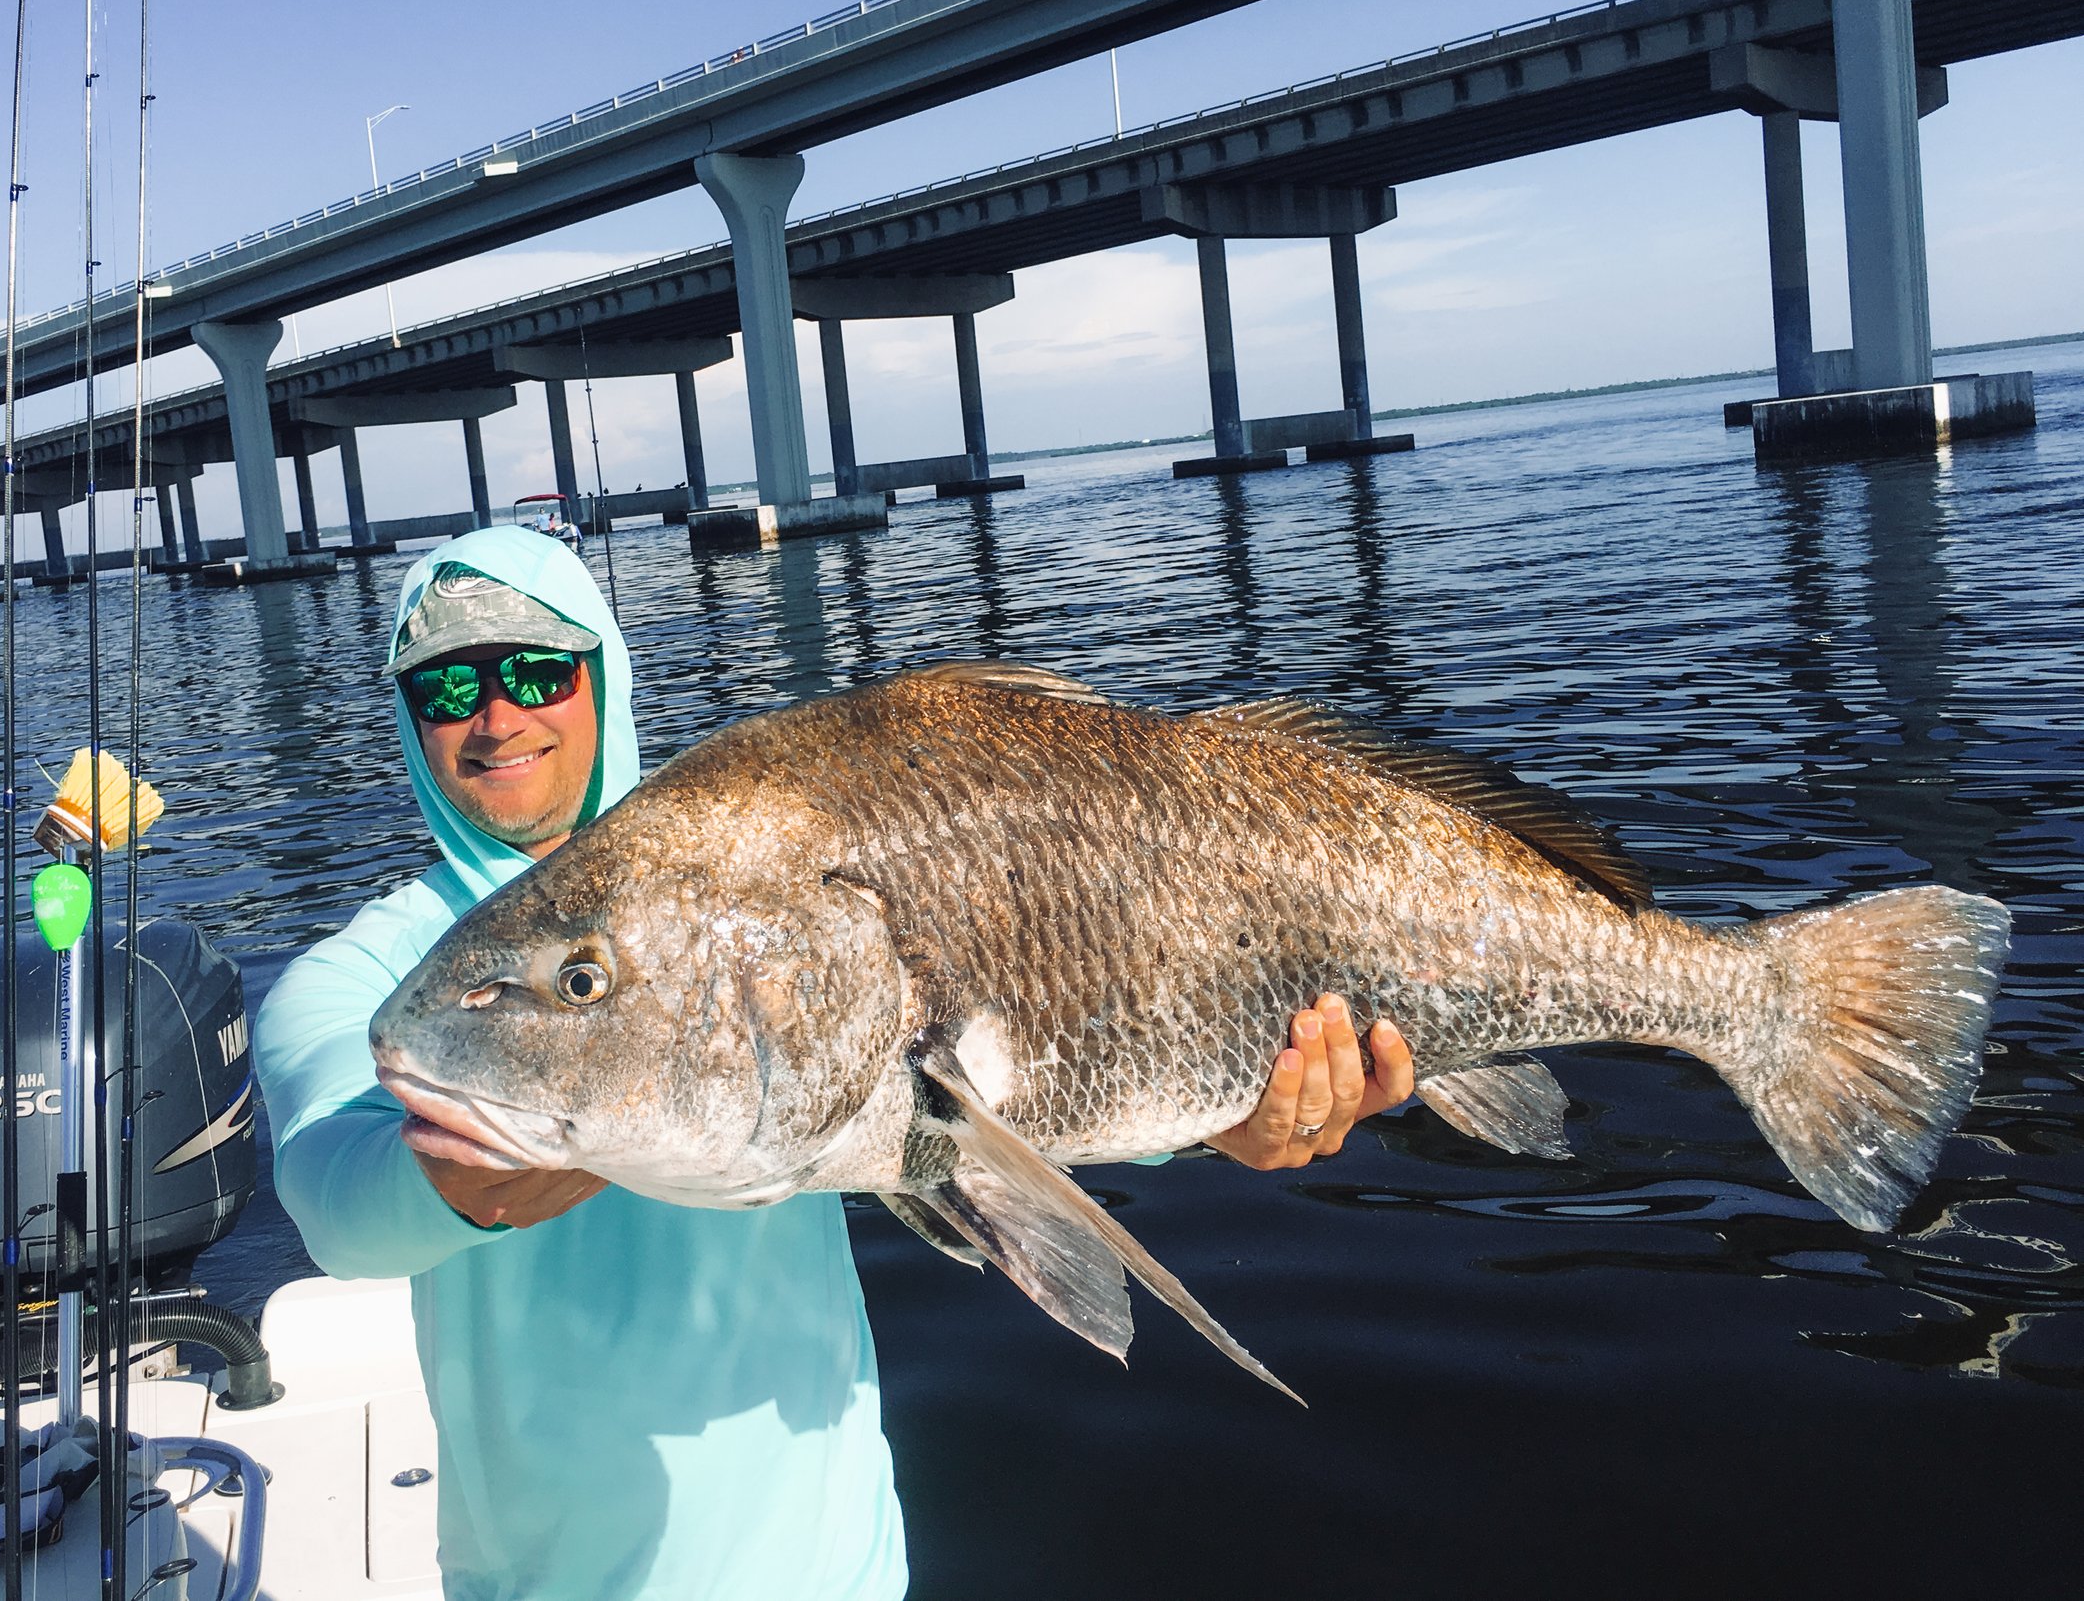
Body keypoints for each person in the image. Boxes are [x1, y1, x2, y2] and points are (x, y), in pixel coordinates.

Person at [254, 526, 1413, 1601]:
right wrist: (482, 1169)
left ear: (602, 675)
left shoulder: (754, 849)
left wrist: (1226, 1120)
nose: (497, 717)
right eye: (449, 689)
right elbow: (339, 1204)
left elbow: (1008, 1084)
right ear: (410, 719)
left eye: (535, 672)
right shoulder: (375, 978)